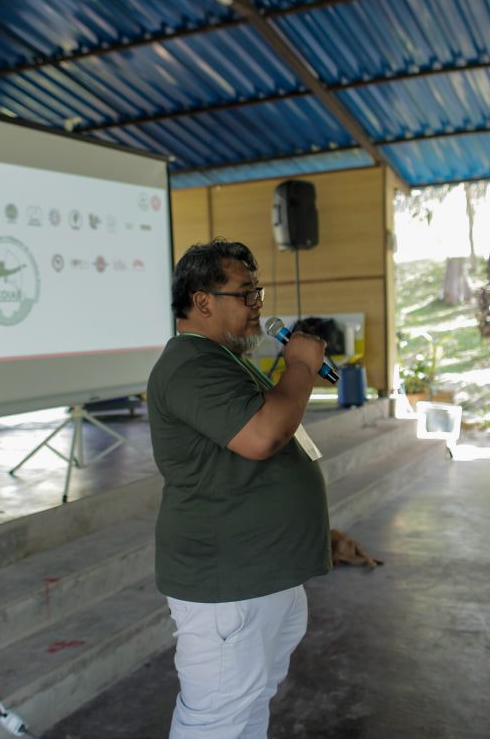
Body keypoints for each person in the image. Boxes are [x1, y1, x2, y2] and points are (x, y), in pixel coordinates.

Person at [147, 239, 331, 738]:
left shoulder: (222, 359)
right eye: (245, 294)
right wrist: (300, 367)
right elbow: (264, 435)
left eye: (259, 293)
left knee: (247, 709)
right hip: (227, 583)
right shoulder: (190, 365)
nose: (258, 306)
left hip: (260, 575)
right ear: (202, 301)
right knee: (217, 719)